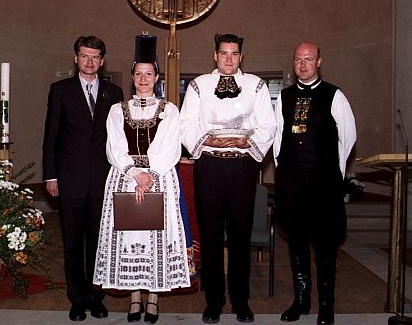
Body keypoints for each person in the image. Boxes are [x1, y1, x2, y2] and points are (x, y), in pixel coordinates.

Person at [93, 34, 190, 324]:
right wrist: (135, 174)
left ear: (157, 77)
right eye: (138, 74)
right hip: (124, 178)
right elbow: (114, 147)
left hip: (159, 179)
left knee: (155, 237)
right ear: (133, 77)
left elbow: (170, 146)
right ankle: (135, 297)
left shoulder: (169, 110)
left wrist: (150, 175)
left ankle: (154, 299)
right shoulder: (117, 110)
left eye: (149, 74)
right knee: (129, 235)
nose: (143, 79)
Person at [180, 33, 276, 323]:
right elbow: (186, 124)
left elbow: (268, 125)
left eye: (234, 54)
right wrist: (209, 144)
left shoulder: (256, 86)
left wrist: (248, 144)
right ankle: (213, 302)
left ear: (241, 57)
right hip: (209, 166)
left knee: (239, 238)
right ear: (215, 56)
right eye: (224, 53)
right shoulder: (199, 86)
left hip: (242, 168)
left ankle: (241, 302)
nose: (229, 59)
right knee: (209, 239)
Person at [273, 41, 356, 325]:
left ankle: (326, 305)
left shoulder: (335, 95)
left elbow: (348, 138)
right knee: (296, 244)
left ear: (319, 62)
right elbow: (277, 140)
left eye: (308, 59)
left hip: (324, 186)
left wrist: (334, 172)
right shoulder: (283, 97)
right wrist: (284, 172)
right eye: (298, 59)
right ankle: (301, 301)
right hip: (292, 184)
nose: (303, 64)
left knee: (325, 247)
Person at [42, 35, 124, 321]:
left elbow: (119, 139)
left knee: (99, 241)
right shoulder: (60, 90)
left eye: (95, 57)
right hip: (70, 178)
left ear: (102, 61)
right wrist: (51, 175)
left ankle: (95, 296)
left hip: (103, 178)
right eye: (84, 56)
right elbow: (51, 136)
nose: (89, 61)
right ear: (76, 58)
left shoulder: (114, 93)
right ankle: (77, 299)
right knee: (73, 242)